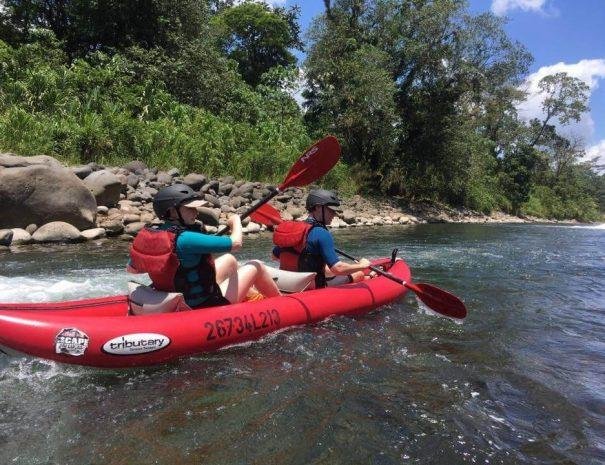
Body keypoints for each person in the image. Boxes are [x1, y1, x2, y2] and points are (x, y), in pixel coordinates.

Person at [128, 184, 280, 308]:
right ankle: (283, 304)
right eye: (189, 208)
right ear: (172, 212)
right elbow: (236, 243)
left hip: (176, 299)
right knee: (257, 265)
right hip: (205, 305)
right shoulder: (186, 238)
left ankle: (251, 296)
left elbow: (132, 269)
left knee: (229, 260)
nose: (195, 212)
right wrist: (236, 222)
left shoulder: (150, 235)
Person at [271, 189, 372, 289]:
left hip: (287, 286)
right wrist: (363, 265)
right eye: (331, 210)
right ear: (318, 207)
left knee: (329, 271)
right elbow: (338, 269)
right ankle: (370, 277)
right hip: (312, 289)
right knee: (359, 274)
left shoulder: (294, 230)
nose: (334, 214)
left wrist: (303, 262)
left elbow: (274, 256)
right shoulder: (322, 233)